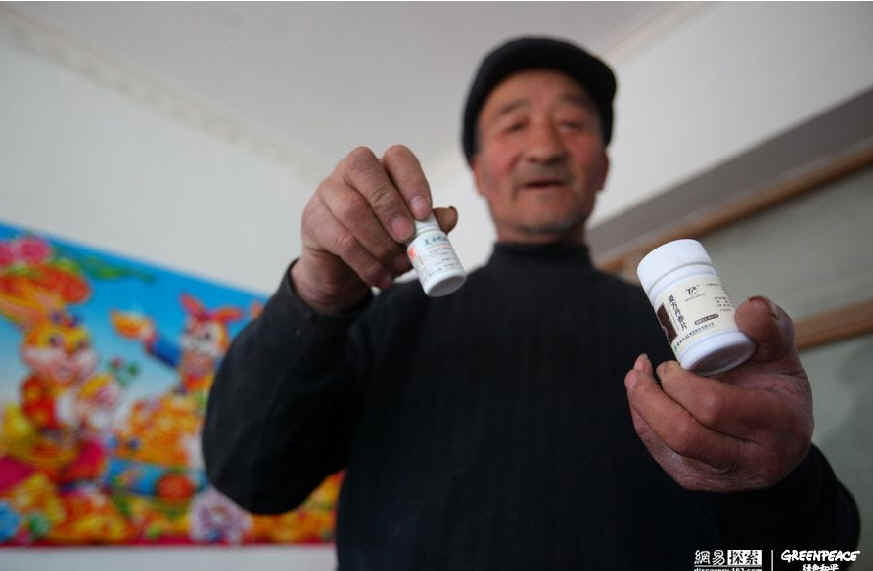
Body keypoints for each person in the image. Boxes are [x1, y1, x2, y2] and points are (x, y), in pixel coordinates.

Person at [203, 37, 859, 569]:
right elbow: (248, 475)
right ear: (479, 172)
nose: (544, 146)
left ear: (602, 167)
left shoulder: (681, 337)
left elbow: (815, 561)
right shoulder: (390, 318)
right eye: (514, 124)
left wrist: (782, 476)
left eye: (572, 123)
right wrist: (316, 297)